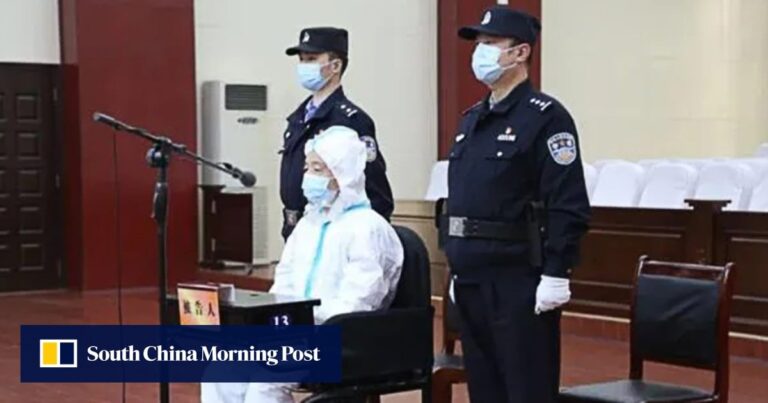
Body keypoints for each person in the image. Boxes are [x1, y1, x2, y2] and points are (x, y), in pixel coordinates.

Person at [444, 6, 590, 403]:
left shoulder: (546, 118)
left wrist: (557, 272)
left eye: (491, 43)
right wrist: (456, 267)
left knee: (526, 390)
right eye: (478, 43)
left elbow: (567, 203)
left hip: (518, 281)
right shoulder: (472, 120)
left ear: (521, 52)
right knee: (484, 390)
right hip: (472, 278)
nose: (480, 52)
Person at [202, 126, 404, 403]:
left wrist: (306, 324)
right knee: (222, 369)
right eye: (307, 168)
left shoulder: (367, 229)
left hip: (340, 337)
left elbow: (360, 302)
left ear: (342, 175)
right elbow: (284, 281)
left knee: (266, 376)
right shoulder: (308, 224)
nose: (308, 177)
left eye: (318, 169)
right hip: (292, 331)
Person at [280, 27, 394, 239]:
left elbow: (374, 187)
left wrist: (369, 238)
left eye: (312, 59)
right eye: (301, 60)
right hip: (297, 229)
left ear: (335, 66)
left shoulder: (351, 120)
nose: (304, 66)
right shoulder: (298, 118)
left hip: (333, 232)